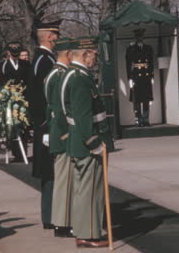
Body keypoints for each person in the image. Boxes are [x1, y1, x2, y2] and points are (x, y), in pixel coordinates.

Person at [61, 37, 113, 248]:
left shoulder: (72, 75)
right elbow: (83, 116)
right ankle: (89, 235)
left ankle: (84, 231)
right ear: (84, 54)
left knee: (84, 190)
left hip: (78, 142)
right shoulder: (80, 78)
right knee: (91, 191)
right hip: (87, 144)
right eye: (94, 55)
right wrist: (94, 143)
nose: (95, 59)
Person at [29, 20, 61, 230]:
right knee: (50, 172)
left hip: (45, 124)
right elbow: (43, 97)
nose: (58, 38)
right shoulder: (44, 60)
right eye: (56, 34)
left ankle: (50, 216)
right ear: (49, 36)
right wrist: (45, 126)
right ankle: (50, 216)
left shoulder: (45, 58)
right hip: (47, 125)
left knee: (51, 173)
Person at [44, 38, 74, 237]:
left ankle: (62, 221)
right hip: (62, 133)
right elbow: (56, 108)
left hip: (58, 132)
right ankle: (62, 223)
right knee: (64, 179)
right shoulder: (58, 74)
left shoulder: (56, 73)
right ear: (67, 54)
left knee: (64, 179)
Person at [126, 28, 154, 127]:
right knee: (136, 100)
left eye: (141, 36)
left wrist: (152, 76)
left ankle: (146, 120)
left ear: (143, 37)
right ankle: (138, 119)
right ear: (135, 37)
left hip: (146, 76)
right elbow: (128, 64)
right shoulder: (131, 49)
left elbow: (151, 63)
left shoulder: (148, 48)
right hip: (136, 77)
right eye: (138, 36)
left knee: (146, 99)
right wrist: (129, 78)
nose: (139, 38)